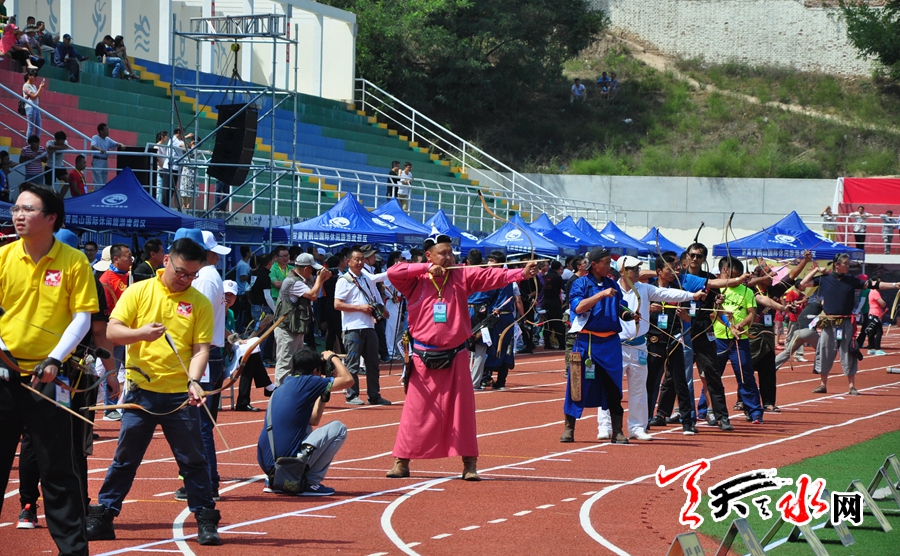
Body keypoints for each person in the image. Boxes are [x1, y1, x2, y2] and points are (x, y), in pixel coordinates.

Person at [86, 237, 222, 546]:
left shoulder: (199, 302)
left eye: (192, 275)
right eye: (181, 272)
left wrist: (194, 381)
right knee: (125, 459)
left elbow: (201, 349)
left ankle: (205, 519)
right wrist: (141, 334)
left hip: (179, 396)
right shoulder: (138, 291)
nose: (185, 279)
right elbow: (112, 331)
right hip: (141, 392)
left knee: (193, 460)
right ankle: (105, 515)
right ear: (166, 261)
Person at [386, 229, 538, 480]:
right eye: (443, 254)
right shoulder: (415, 279)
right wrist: (426, 269)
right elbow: (394, 272)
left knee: (462, 412)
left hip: (455, 354)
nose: (449, 258)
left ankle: (469, 464)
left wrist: (521, 273)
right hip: (423, 356)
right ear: (429, 255)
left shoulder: (461, 275)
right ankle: (401, 461)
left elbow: (491, 275)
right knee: (415, 412)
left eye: (451, 253)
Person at [0, 182, 98, 556]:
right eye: (15, 209)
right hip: (4, 376)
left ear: (51, 217)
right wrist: (3, 351)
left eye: (28, 209)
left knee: (59, 469)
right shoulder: (3, 256)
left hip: (50, 380)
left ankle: (73, 550)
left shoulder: (74, 261)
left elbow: (82, 317)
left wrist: (55, 359)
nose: (18, 215)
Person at [599, 255, 704, 440]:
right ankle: (605, 426)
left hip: (639, 345)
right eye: (633, 269)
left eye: (638, 269)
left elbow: (667, 294)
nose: (637, 272)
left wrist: (691, 296)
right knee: (610, 387)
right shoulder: (611, 289)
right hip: (616, 346)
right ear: (622, 271)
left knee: (639, 389)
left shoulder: (644, 288)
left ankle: (637, 427)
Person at [799, 253, 899, 395]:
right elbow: (803, 284)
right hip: (829, 322)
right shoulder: (824, 279)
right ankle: (822, 384)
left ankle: (852, 386)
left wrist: (895, 285)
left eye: (848, 263)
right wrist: (816, 270)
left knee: (849, 352)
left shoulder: (851, 280)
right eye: (845, 263)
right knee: (825, 352)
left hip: (846, 322)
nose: (848, 266)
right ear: (837, 265)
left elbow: (874, 284)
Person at [258, 348, 352, 495]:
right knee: (339, 428)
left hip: (268, 463)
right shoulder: (309, 381)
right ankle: (310, 482)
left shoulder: (285, 385)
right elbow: (348, 380)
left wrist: (324, 393)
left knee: (305, 426)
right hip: (286, 462)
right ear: (315, 370)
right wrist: (333, 357)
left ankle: (273, 480)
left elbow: (313, 420)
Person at [560, 248, 628, 443]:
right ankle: (569, 428)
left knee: (613, 387)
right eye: (606, 263)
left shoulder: (611, 283)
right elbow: (578, 307)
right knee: (576, 386)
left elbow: (620, 307)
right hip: (586, 342)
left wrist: (629, 314)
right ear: (594, 264)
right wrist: (601, 295)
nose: (609, 266)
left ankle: (617, 431)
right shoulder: (580, 283)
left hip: (610, 345)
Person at [746, 252, 812, 413]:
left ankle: (768, 402)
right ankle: (742, 401)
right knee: (746, 372)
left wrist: (805, 261)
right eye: (768, 274)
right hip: (751, 336)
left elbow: (791, 276)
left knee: (768, 372)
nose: (772, 277)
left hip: (767, 337)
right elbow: (748, 282)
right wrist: (763, 277)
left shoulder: (774, 291)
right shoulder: (749, 290)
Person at [335, 246, 392, 405]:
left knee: (373, 363)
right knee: (353, 363)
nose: (360, 262)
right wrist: (360, 308)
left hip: (369, 326)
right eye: (357, 259)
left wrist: (382, 309)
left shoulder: (366, 278)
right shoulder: (344, 280)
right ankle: (351, 395)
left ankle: (374, 395)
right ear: (348, 261)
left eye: (362, 259)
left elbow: (374, 295)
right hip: (352, 327)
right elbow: (337, 304)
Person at [712, 256, 763, 426]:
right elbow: (714, 313)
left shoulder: (747, 292)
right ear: (724, 271)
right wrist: (729, 326)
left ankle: (754, 411)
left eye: (740, 275)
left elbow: (752, 313)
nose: (739, 278)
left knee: (745, 374)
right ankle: (706, 410)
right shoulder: (716, 289)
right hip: (718, 338)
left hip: (740, 339)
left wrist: (741, 325)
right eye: (735, 275)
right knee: (712, 375)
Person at [273, 253, 330, 385]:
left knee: (296, 363)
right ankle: (280, 392)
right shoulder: (293, 282)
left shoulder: (298, 279)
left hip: (294, 327)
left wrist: (321, 280)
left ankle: (292, 391)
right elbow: (313, 295)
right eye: (312, 269)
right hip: (287, 329)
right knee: (286, 363)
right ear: (305, 269)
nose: (313, 272)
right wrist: (320, 279)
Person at [481, 250, 524, 390]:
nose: (489, 263)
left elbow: (484, 297)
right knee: (504, 347)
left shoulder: (495, 278)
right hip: (506, 317)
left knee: (490, 345)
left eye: (492, 261)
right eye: (488, 260)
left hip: (496, 316)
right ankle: (499, 381)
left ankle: (486, 379)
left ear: (499, 264)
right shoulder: (509, 277)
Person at [542, 260, 566, 350]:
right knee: (558, 323)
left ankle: (547, 343)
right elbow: (564, 288)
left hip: (546, 301)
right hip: (555, 302)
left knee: (548, 323)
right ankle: (561, 344)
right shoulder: (557, 277)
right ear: (559, 268)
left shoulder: (546, 276)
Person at [90, 123, 124, 187]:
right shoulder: (95, 137)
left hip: (105, 161)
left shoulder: (107, 139)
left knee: (104, 181)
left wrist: (121, 145)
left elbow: (115, 143)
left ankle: (102, 192)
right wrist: (100, 149)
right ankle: (98, 193)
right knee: (98, 181)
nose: (108, 131)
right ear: (101, 131)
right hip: (97, 160)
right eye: (106, 130)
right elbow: (93, 146)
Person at [861, 287, 886, 356]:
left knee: (872, 332)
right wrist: (884, 304)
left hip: (872, 314)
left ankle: (871, 348)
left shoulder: (871, 292)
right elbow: (882, 303)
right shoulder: (875, 292)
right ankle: (878, 349)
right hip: (876, 314)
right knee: (879, 331)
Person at [22, 70, 44, 139]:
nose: (35, 78)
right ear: (29, 76)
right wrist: (40, 88)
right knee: (31, 127)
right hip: (30, 107)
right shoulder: (26, 86)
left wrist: (41, 89)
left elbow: (38, 96)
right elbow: (33, 96)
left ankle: (36, 142)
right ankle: (28, 143)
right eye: (34, 76)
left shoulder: (34, 86)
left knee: (39, 127)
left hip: (36, 106)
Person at [235, 245, 253, 329]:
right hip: (242, 292)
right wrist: (251, 275)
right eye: (250, 251)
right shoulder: (243, 265)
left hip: (243, 291)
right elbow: (242, 278)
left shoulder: (244, 264)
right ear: (247, 253)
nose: (251, 253)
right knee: (243, 314)